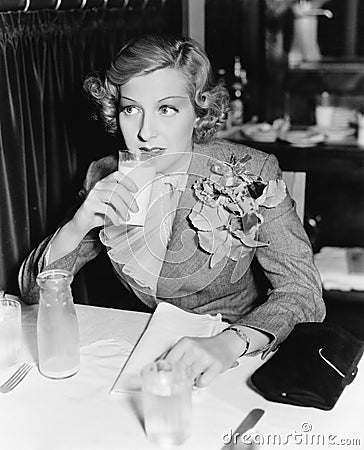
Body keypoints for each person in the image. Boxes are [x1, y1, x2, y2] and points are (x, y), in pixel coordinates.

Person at [19, 34, 325, 387]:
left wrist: (231, 343)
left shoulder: (251, 174)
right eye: (131, 109)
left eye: (167, 109)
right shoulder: (104, 174)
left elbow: (304, 292)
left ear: (198, 112)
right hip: (144, 348)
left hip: (236, 351)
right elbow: (32, 293)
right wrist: (77, 226)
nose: (145, 132)